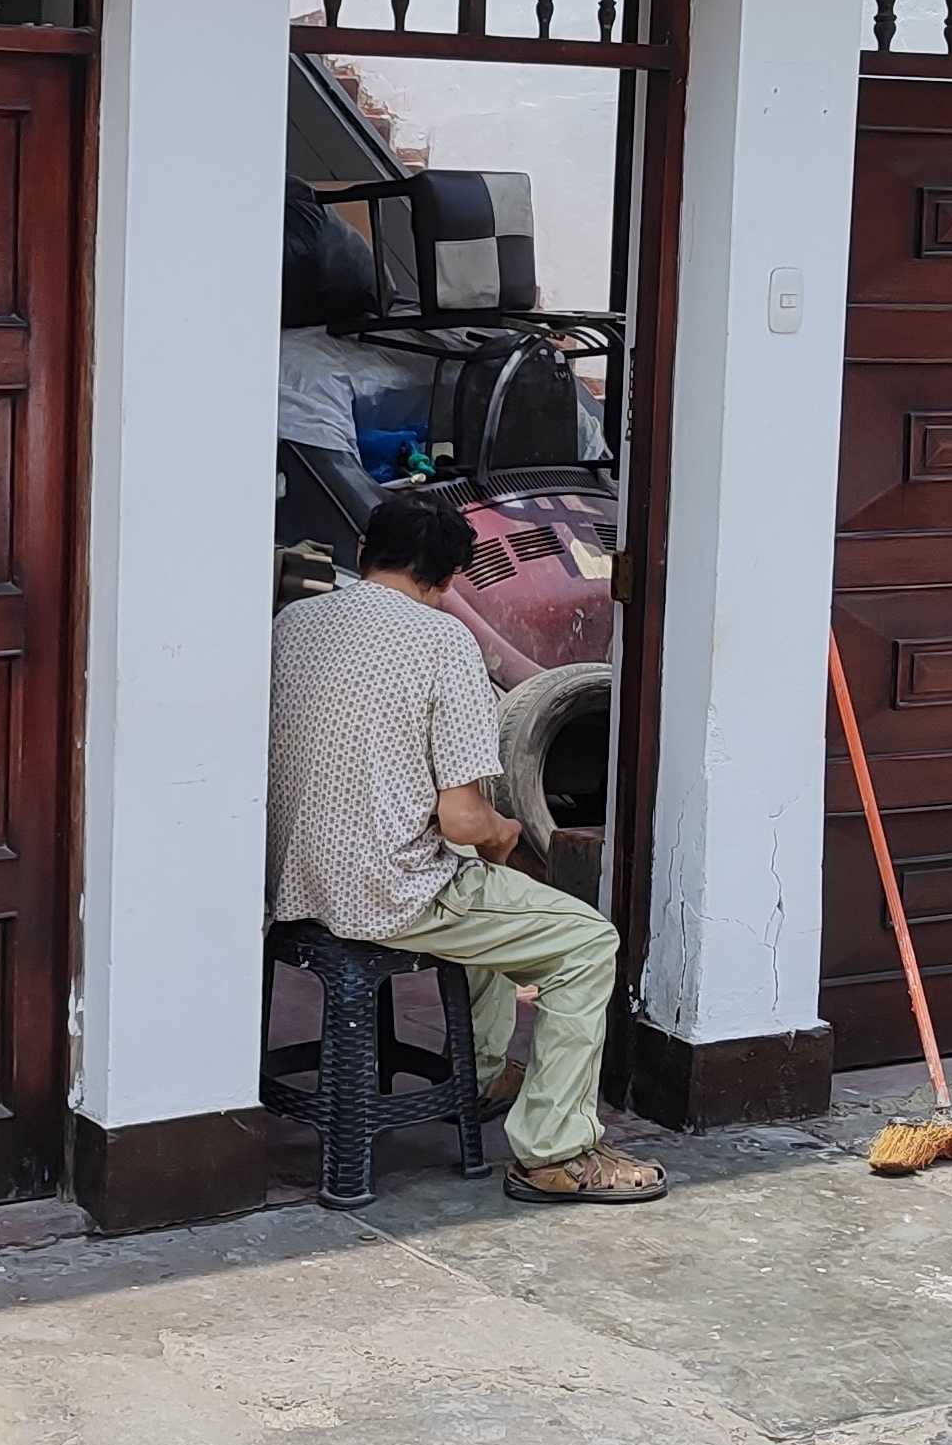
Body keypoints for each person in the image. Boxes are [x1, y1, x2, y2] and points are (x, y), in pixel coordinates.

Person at [266, 495, 664, 1204]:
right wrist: (503, 832)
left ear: (363, 555)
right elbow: (460, 818)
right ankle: (554, 1150)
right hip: (386, 892)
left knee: (484, 889)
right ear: (449, 578)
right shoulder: (442, 640)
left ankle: (477, 1074)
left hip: (295, 884)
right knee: (584, 942)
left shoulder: (294, 623)